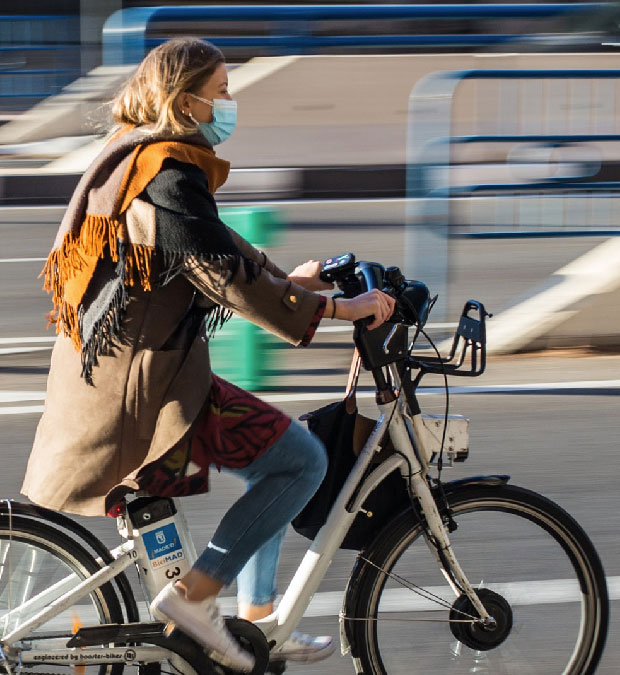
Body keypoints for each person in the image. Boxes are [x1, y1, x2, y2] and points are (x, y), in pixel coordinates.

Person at [22, 37, 396, 672]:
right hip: (143, 387)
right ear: (186, 99)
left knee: (274, 464)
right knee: (300, 463)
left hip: (130, 372)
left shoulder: (138, 152)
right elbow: (220, 271)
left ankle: (255, 623)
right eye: (221, 90)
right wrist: (335, 310)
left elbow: (214, 245)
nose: (229, 102)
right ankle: (195, 598)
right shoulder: (168, 170)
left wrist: (290, 283)